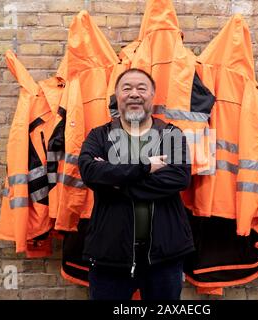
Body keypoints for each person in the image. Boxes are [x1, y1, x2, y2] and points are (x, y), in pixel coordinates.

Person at [78, 68, 195, 300]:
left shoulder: (171, 134)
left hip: (165, 257)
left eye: (142, 88)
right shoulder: (99, 136)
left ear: (152, 96)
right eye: (127, 88)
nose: (134, 94)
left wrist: (115, 181)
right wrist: (144, 167)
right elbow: (90, 172)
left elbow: (179, 177)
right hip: (110, 256)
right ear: (117, 96)